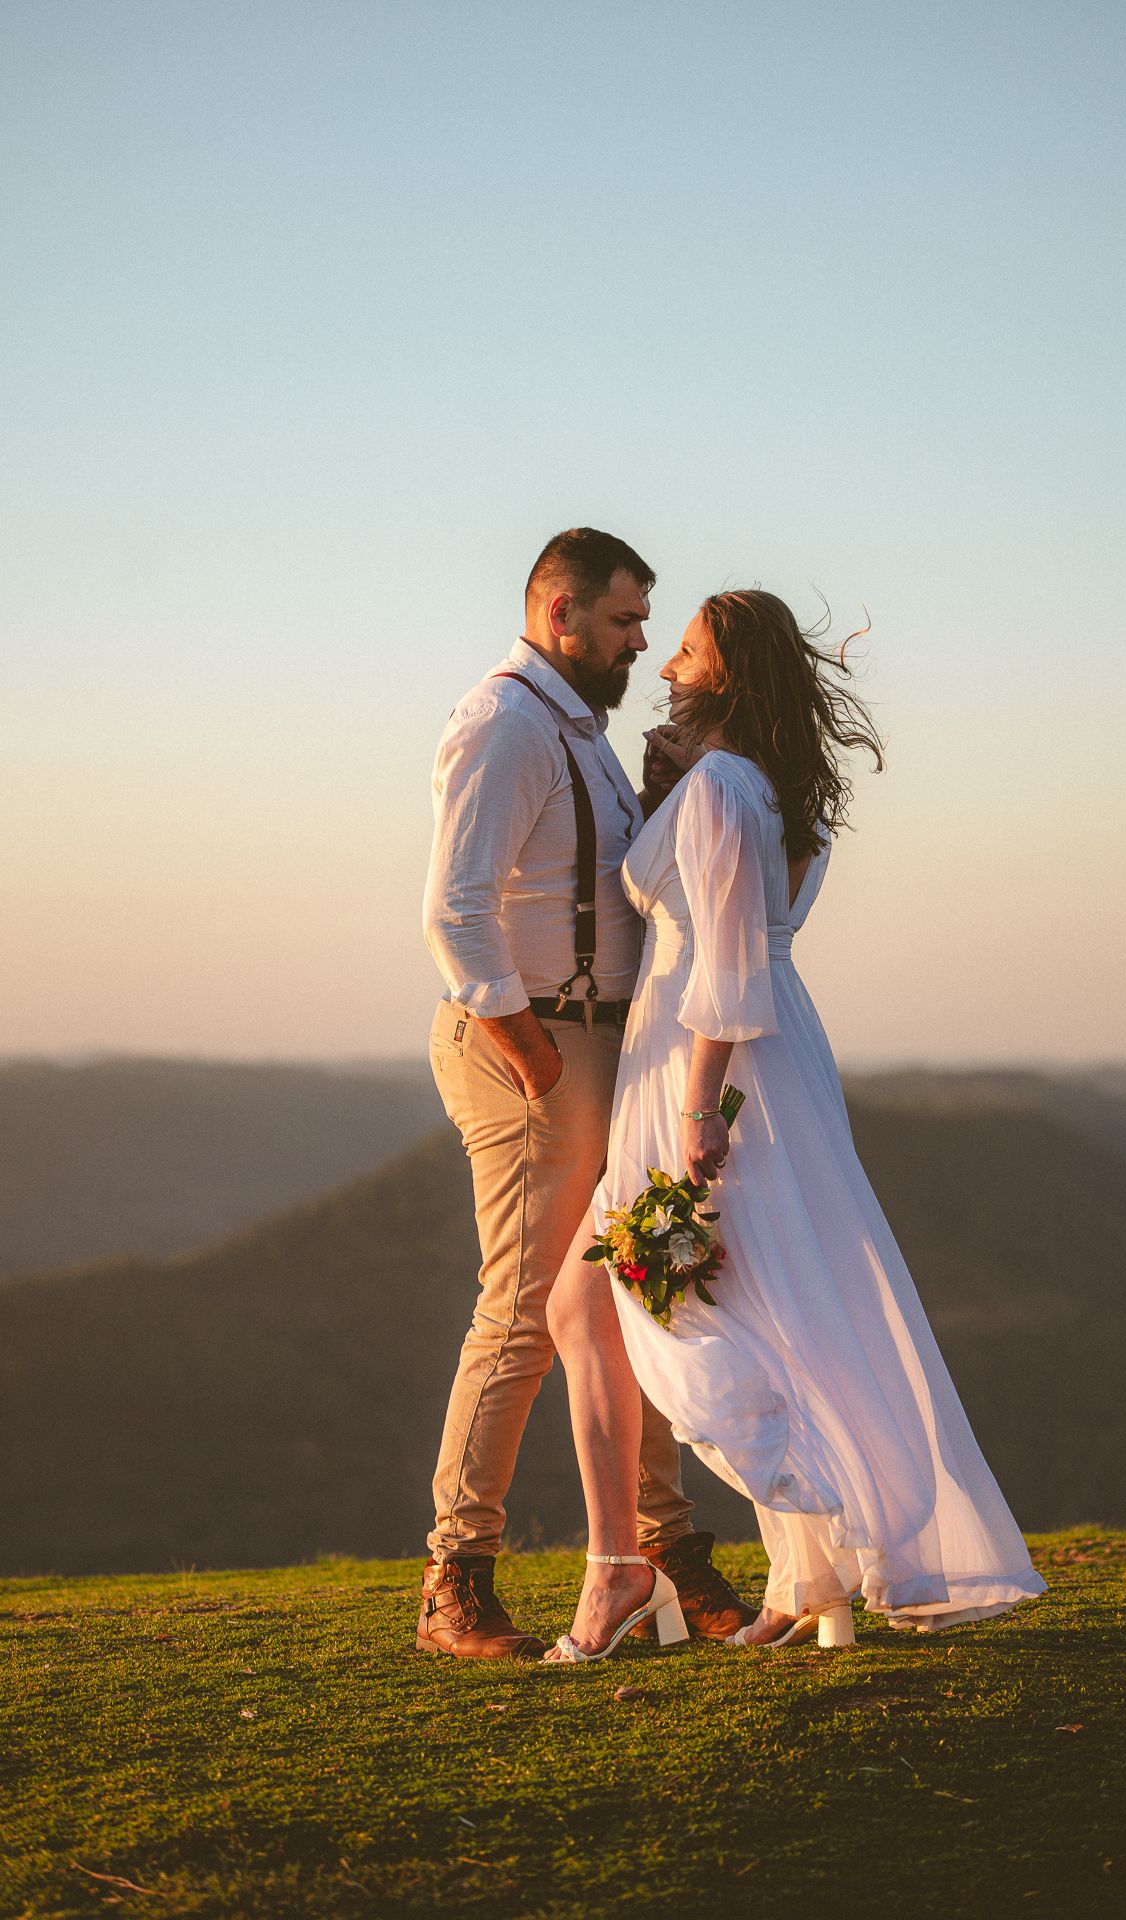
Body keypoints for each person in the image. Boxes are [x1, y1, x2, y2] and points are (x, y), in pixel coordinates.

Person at [543, 589, 1047, 1661]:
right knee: (767, 1295)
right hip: (750, 1051)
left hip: (710, 1058)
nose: (666, 663)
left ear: (725, 673)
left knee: (676, 1298)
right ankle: (805, 1576)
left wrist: (697, 1111)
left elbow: (724, 960)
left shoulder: (726, 784)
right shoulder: (763, 786)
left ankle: (821, 1537)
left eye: (683, 650)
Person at [417, 529, 757, 1660]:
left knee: (625, 1294)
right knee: (521, 1311)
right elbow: (455, 913)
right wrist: (534, 1055)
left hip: (600, 1047)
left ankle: (660, 1551)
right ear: (560, 613)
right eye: (622, 622)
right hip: (538, 1050)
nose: (640, 642)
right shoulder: (504, 725)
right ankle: (453, 1578)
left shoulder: (579, 730)